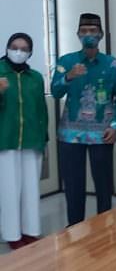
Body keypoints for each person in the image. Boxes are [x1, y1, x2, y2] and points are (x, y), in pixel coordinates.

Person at [51, 13, 116, 226]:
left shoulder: (112, 64)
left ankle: (104, 228)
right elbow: (55, 92)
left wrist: (115, 126)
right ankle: (74, 228)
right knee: (74, 184)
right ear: (77, 34)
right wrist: (68, 77)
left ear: (101, 34)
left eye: (93, 31)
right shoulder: (67, 61)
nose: (88, 35)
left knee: (103, 184)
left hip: (102, 133)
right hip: (70, 134)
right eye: (84, 31)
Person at [0, 33, 48, 250]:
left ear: (30, 52)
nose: (18, 51)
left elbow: (41, 109)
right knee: (10, 189)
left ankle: (31, 230)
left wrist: (43, 137)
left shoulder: (35, 77)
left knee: (30, 188)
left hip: (32, 139)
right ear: (7, 48)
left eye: (24, 48)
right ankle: (11, 234)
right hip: (5, 140)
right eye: (14, 47)